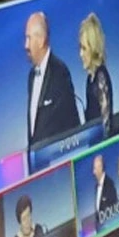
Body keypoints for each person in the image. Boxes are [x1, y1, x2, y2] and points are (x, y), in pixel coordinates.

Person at [24, 10, 80, 146]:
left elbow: (72, 123)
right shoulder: (32, 76)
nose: (25, 45)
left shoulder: (59, 72)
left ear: (41, 40)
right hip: (38, 162)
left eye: (29, 38)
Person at [78, 13, 115, 137]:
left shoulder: (101, 77)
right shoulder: (90, 79)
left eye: (84, 48)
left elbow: (106, 126)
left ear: (93, 48)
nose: (80, 54)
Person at [91, 153, 117, 220]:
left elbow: (113, 207)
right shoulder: (96, 187)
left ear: (100, 167)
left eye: (94, 168)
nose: (93, 172)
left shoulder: (109, 184)